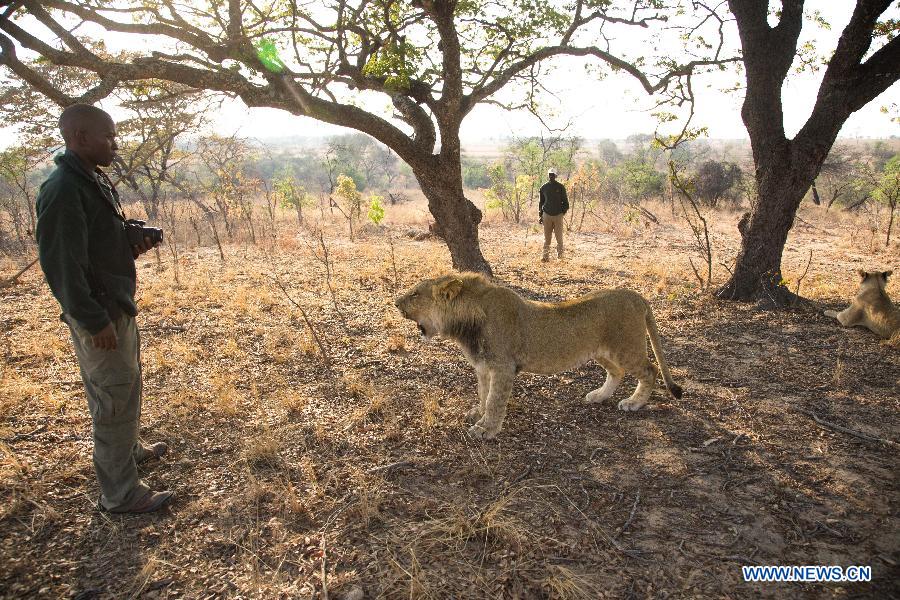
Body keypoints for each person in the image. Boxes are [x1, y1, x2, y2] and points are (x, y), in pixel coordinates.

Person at [35, 104, 173, 513]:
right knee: (111, 395)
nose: (115, 144)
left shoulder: (89, 180)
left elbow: (92, 246)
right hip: (99, 312)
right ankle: (120, 493)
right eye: (108, 136)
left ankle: (128, 451)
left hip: (114, 303)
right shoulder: (62, 190)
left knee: (126, 383)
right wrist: (94, 320)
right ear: (79, 138)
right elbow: (62, 266)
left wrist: (127, 242)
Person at [539, 168, 569, 261]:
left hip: (558, 216)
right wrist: (540, 215)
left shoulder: (560, 187)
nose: (551, 176)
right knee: (547, 238)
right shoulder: (543, 187)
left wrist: (561, 213)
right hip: (546, 215)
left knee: (559, 238)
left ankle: (560, 258)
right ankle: (545, 257)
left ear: (556, 176)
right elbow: (541, 202)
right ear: (548, 175)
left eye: (553, 174)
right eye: (549, 174)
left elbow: (566, 203)